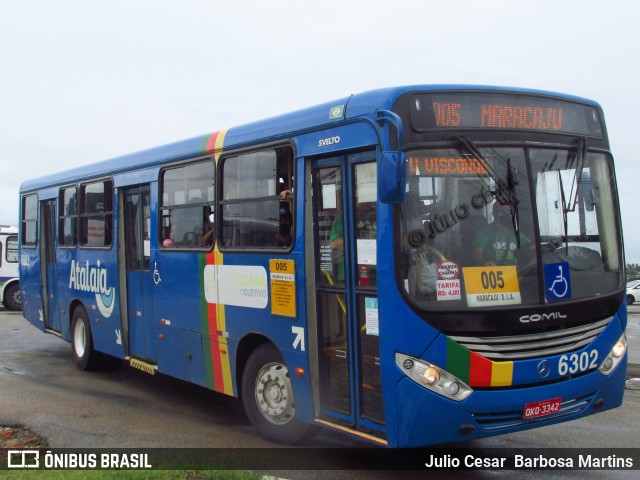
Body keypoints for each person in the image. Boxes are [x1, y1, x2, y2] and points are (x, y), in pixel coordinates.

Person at [471, 201, 527, 266]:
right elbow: (476, 253)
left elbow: (530, 247)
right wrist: (485, 263)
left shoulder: (513, 232)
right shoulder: (484, 232)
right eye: (503, 212)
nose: (507, 214)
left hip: (515, 273)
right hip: (494, 272)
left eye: (509, 212)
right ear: (494, 213)